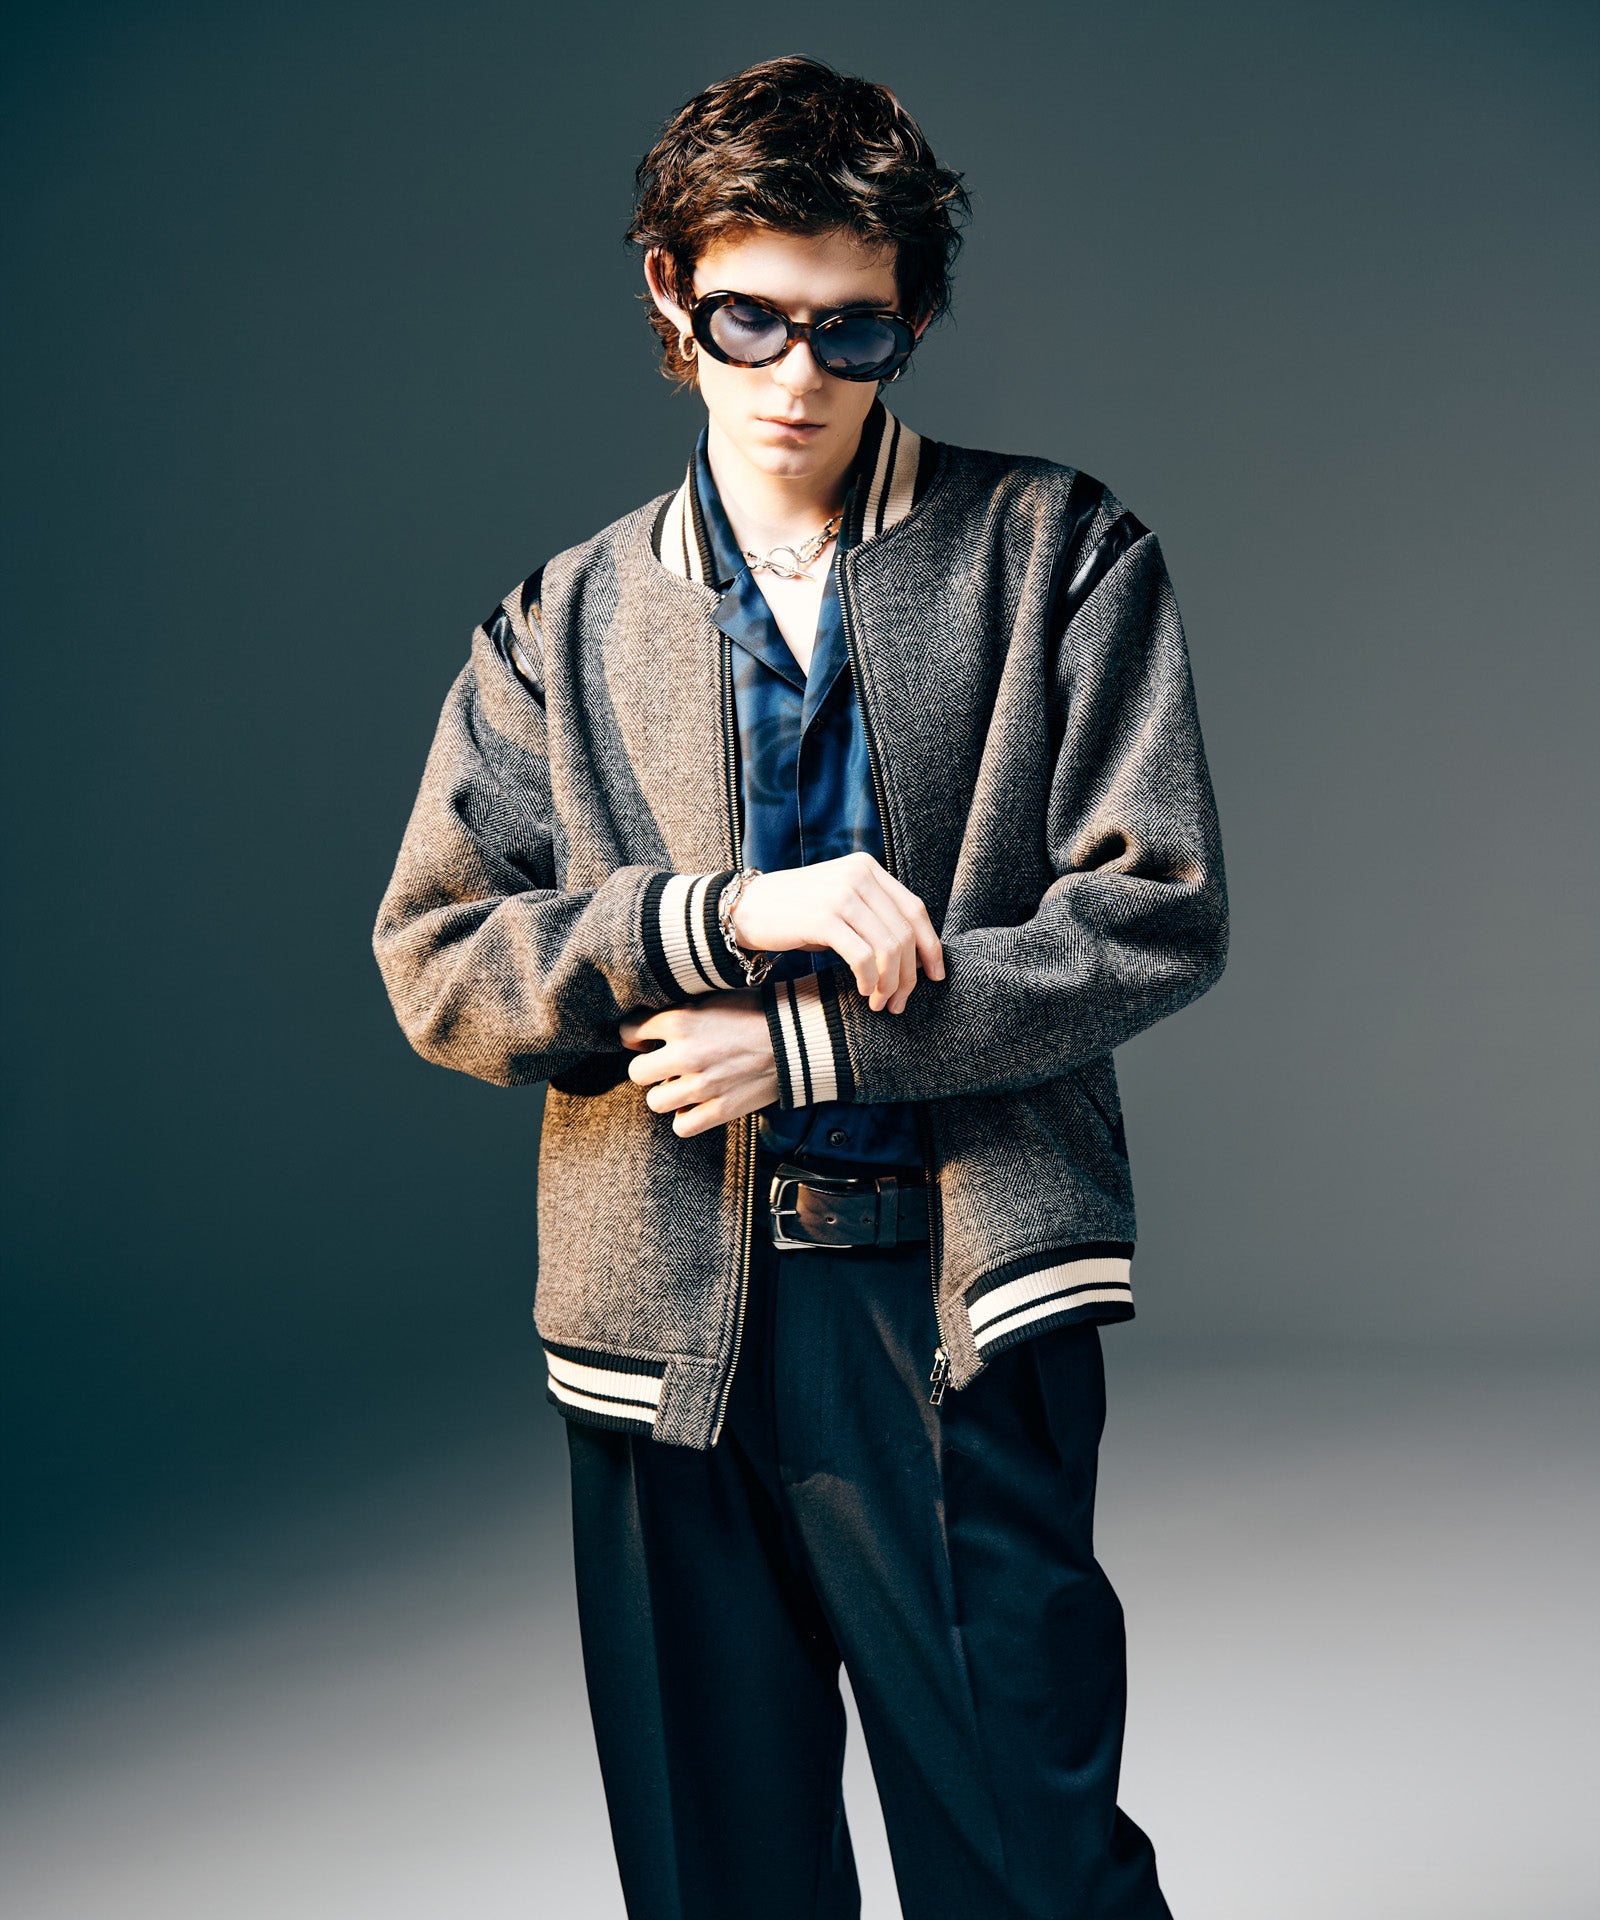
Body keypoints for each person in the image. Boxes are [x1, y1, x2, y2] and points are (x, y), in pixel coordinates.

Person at [372, 53, 1227, 1920]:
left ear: (910, 320)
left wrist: (816, 1048)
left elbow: (1154, 911)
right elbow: (439, 961)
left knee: (1034, 1870)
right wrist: (716, 916)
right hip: (663, 1324)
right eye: (750, 318)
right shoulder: (558, 620)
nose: (796, 377)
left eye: (855, 332)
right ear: (672, 293)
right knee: (717, 1877)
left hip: (955, 1301)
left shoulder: (1061, 555)